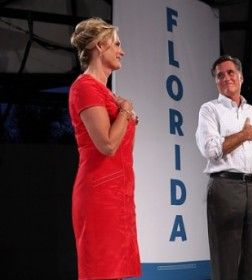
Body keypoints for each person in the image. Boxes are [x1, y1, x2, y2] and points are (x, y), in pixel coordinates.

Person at [69, 17, 140, 280]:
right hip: (100, 196)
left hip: (118, 193)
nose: (122, 51)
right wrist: (126, 110)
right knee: (101, 272)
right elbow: (107, 145)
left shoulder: (106, 93)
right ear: (100, 46)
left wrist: (123, 111)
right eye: (117, 44)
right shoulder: (85, 87)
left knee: (115, 274)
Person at [195, 55, 252, 280]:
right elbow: (211, 150)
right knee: (226, 264)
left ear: (241, 77)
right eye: (220, 75)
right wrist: (244, 135)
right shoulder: (209, 110)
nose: (226, 78)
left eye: (230, 72)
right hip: (225, 187)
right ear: (216, 82)